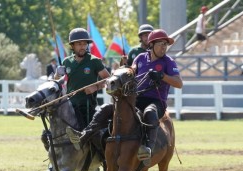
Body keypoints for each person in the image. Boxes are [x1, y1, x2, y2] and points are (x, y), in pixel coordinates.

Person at [66, 29, 183, 163]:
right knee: (106, 108)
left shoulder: (168, 62)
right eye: (161, 44)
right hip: (137, 98)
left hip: (156, 101)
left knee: (150, 112)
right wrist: (124, 66)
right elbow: (131, 72)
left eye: (165, 44)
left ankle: (148, 149)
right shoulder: (140, 58)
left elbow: (179, 83)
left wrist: (162, 76)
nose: (164, 47)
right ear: (151, 44)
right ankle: (83, 136)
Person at [42, 27, 110, 171]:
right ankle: (53, 163)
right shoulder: (67, 62)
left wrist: (95, 86)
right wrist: (56, 74)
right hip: (68, 107)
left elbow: (108, 79)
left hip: (87, 107)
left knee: (95, 135)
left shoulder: (94, 61)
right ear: (72, 46)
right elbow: (54, 84)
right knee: (47, 134)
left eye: (84, 43)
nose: (82, 47)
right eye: (78, 44)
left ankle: (105, 160)